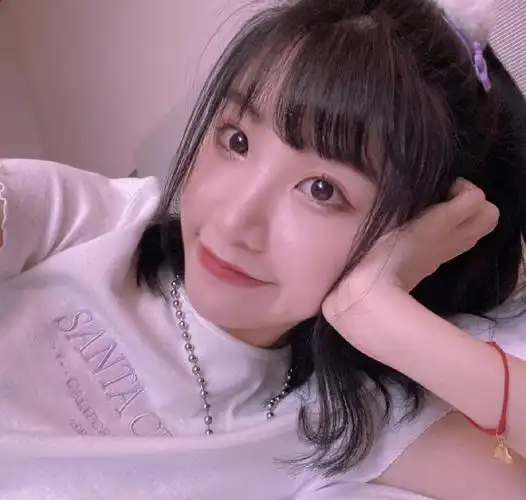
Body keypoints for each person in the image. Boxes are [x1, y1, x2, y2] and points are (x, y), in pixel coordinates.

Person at [0, 0, 525, 498]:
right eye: (236, 140)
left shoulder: (340, 425)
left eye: (322, 190)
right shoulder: (94, 218)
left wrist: (377, 308)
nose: (234, 222)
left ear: (412, 230)